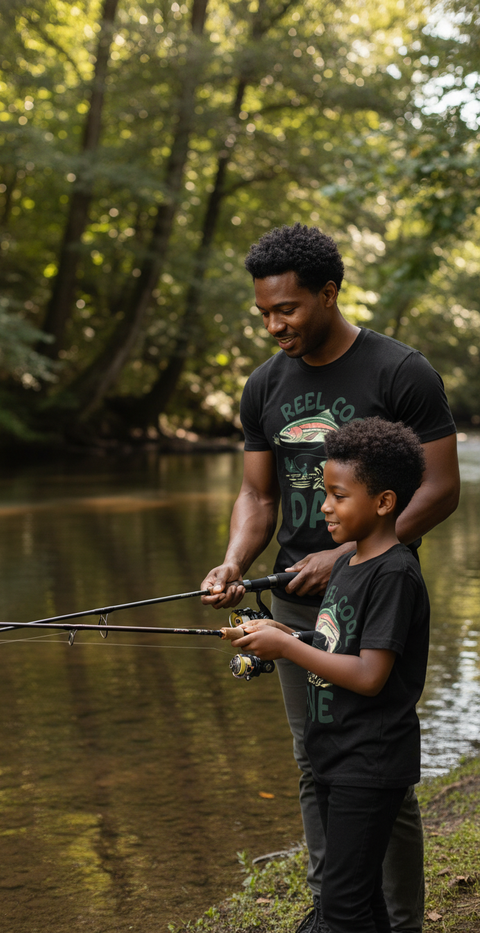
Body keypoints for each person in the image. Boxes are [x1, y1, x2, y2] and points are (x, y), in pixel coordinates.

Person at [200, 224, 460, 933]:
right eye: (262, 312)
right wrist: (235, 562)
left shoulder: (400, 371)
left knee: (376, 771)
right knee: (316, 758)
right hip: (292, 599)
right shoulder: (264, 383)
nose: (273, 325)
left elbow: (440, 489)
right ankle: (336, 910)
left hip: (373, 596)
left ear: (328, 293)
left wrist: (343, 559)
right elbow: (257, 496)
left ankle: (399, 920)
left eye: (286, 309)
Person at [231, 417, 430, 933]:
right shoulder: (347, 566)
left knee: (341, 909)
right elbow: (336, 644)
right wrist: (283, 634)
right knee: (362, 899)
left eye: (338, 496)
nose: (323, 506)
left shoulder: (394, 573)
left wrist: (288, 649)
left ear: (384, 502)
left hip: (370, 762)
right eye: (324, 493)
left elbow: (369, 675)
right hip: (334, 756)